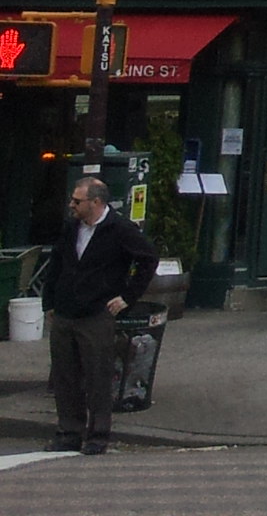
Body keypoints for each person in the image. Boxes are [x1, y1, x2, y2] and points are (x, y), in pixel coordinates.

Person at [43, 176, 161, 455]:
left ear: (95, 202)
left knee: (97, 375)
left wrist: (127, 297)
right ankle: (69, 432)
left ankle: (98, 434)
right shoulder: (71, 227)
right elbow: (56, 262)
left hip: (96, 312)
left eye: (77, 201)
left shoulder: (119, 229)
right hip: (65, 310)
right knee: (65, 375)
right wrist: (49, 301)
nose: (71, 205)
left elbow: (148, 259)